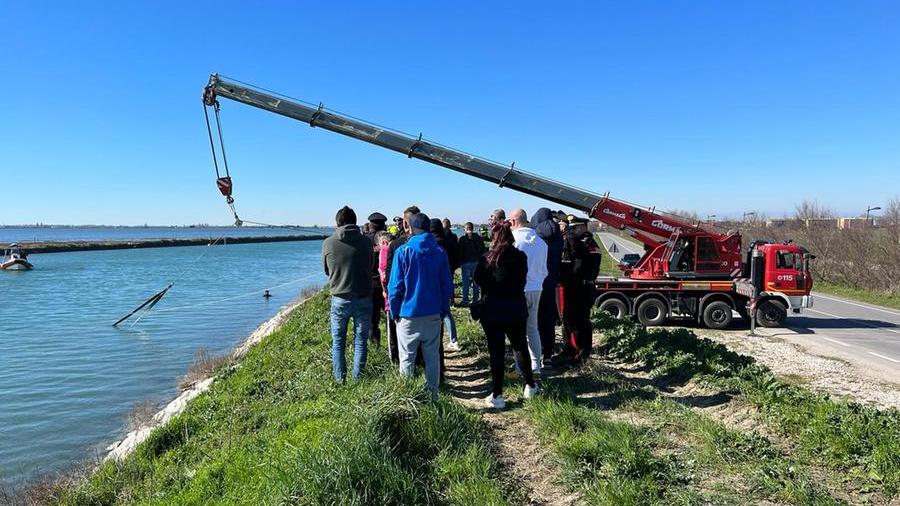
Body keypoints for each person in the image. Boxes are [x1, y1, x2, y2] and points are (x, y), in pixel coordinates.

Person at [388, 212, 453, 399]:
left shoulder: (404, 252)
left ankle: (408, 400)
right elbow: (446, 286)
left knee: (406, 359)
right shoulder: (440, 252)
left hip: (408, 314)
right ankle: (433, 396)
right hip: (433, 313)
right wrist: (443, 311)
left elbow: (395, 287)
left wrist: (395, 312)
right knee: (432, 358)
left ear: (412, 228)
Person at [475, 222, 539, 409]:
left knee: (497, 352)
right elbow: (523, 278)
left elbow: (478, 279)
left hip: (492, 309)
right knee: (520, 347)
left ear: (493, 239)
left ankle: (497, 394)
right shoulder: (520, 257)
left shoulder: (486, 258)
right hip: (515, 307)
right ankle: (530, 385)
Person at [322, 206, 373, 382]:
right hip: (363, 297)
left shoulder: (328, 243)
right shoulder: (367, 242)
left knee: (338, 343)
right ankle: (357, 380)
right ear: (355, 221)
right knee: (360, 341)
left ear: (337, 222)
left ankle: (340, 380)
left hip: (339, 298)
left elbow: (327, 270)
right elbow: (371, 265)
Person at [509, 208, 548, 375]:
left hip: (519, 289)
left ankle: (520, 368)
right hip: (537, 288)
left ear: (513, 222)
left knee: (517, 332)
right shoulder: (541, 242)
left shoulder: (515, 241)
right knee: (533, 329)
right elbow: (545, 270)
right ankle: (536, 366)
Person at [558, 220, 602, 364]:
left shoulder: (587, 243)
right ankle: (573, 351)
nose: (572, 230)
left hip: (581, 288)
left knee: (578, 321)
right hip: (578, 287)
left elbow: (579, 267)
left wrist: (569, 238)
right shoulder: (581, 242)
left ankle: (580, 354)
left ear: (583, 227)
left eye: (574, 227)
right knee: (572, 320)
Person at [384, 206, 420, 364]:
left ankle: (400, 368)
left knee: (404, 346)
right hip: (428, 304)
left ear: (405, 223)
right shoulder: (434, 246)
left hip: (405, 303)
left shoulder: (396, 246)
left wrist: (393, 306)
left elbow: (392, 279)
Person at [532, 208, 564, 369]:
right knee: (548, 320)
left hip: (535, 283)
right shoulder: (558, 235)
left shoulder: (535, 235)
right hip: (550, 283)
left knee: (533, 321)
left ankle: (534, 358)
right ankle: (548, 355)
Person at [430, 218, 460, 352]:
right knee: (446, 312)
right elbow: (456, 253)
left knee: (435, 314)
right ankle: (454, 339)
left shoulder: (433, 244)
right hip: (449, 274)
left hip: (434, 280)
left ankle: (434, 342)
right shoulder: (450, 239)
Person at [366, 212, 389, 347]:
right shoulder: (389, 240)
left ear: (370, 224)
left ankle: (375, 347)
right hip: (387, 285)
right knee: (390, 318)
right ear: (383, 225)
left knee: (372, 321)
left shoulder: (364, 241)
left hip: (371, 285)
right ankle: (395, 348)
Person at [457, 222, 486, 305]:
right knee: (476, 282)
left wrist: (460, 262)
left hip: (466, 262)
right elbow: (482, 250)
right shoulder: (479, 238)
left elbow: (460, 251)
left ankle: (465, 299)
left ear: (465, 229)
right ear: (472, 228)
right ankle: (475, 299)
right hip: (476, 262)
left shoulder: (462, 239)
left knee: (465, 282)